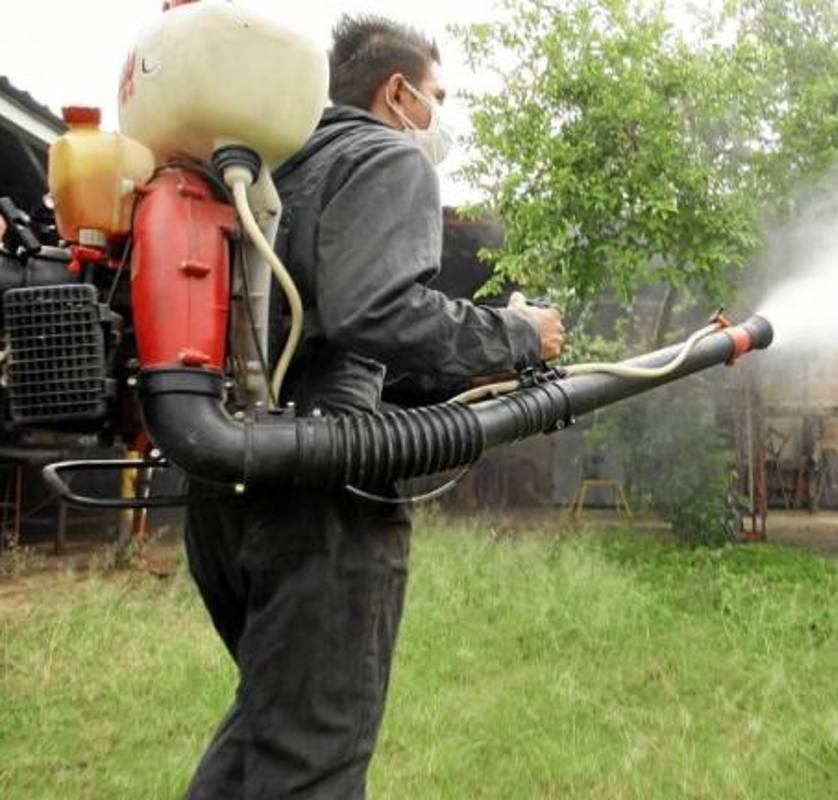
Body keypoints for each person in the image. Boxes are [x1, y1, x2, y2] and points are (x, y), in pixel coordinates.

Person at [183, 14, 565, 799]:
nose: (440, 119)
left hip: (224, 498)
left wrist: (471, 373)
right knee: (309, 766)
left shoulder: (272, 173)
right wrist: (518, 333)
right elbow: (377, 312)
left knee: (269, 731)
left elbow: (333, 338)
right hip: (321, 505)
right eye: (438, 97)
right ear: (397, 93)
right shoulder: (387, 156)